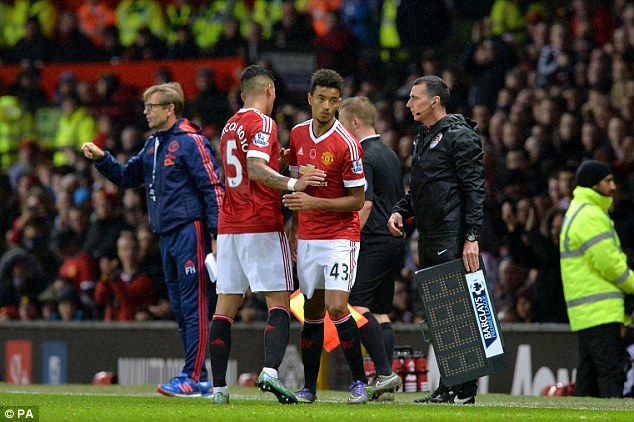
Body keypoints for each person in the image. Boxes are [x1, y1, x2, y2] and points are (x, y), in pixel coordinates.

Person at [81, 82, 223, 397]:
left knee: (194, 304)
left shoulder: (191, 141)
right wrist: (103, 158)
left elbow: (213, 187)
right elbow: (126, 177)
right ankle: (194, 375)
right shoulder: (153, 145)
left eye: (151, 106)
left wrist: (215, 235)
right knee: (181, 306)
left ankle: (195, 375)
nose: (145, 112)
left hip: (191, 231)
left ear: (170, 109)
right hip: (167, 236)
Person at [208, 64, 325, 405]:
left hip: (229, 226)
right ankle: (270, 372)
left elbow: (249, 165)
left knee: (224, 308)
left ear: (242, 94)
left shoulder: (230, 125)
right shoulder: (262, 122)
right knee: (279, 302)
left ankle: (218, 389)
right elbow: (257, 170)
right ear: (270, 92)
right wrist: (292, 182)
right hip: (259, 222)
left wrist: (277, 159)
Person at [387, 75, 484, 405]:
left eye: (415, 98)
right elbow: (419, 187)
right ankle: (456, 387)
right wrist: (402, 210)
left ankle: (460, 387)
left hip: (450, 233)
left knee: (453, 310)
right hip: (427, 234)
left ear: (435, 102)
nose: (408, 104)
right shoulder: (423, 137)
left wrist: (471, 237)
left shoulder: (459, 136)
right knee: (438, 313)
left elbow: (474, 189)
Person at [282, 69, 370, 405]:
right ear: (310, 98)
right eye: (322, 98)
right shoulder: (298, 135)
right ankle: (308, 388)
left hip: (339, 236)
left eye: (334, 100)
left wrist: (314, 202)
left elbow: (358, 200)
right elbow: (295, 188)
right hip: (308, 238)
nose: (327, 106)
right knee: (312, 310)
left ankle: (359, 383)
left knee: (336, 306)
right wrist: (294, 231)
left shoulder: (347, 144)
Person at [338, 96, 404, 400]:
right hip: (393, 241)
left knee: (356, 307)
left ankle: (384, 373)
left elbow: (364, 204)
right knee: (380, 312)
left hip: (373, 240)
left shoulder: (362, 155)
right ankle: (385, 382)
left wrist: (349, 237)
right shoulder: (390, 153)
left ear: (354, 122)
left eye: (341, 123)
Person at [559, 160, 634, 398]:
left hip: (589, 310)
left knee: (588, 378)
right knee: (611, 374)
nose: (613, 187)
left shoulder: (580, 211)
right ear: (594, 184)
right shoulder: (590, 215)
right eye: (608, 181)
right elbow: (612, 266)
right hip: (600, 310)